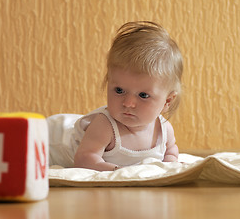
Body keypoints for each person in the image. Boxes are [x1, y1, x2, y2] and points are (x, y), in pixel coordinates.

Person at [47, 21, 183, 171]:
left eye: (143, 95)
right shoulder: (105, 126)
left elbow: (171, 152)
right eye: (119, 90)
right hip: (51, 137)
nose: (128, 103)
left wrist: (170, 166)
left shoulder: (164, 130)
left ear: (167, 101)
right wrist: (116, 171)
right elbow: (84, 159)